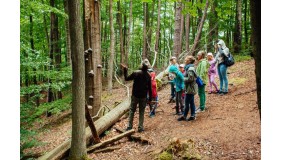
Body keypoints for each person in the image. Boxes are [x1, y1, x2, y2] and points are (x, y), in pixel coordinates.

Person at [121, 62, 152, 132]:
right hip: (143, 97)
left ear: (141, 67)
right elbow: (150, 89)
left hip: (135, 96)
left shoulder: (136, 73)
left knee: (132, 110)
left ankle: (129, 127)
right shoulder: (148, 76)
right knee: (141, 112)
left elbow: (126, 78)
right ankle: (140, 128)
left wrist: (125, 70)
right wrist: (150, 99)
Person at [178, 56, 198, 121]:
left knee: (186, 103)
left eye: (186, 59)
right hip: (190, 88)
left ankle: (184, 116)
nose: (185, 60)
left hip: (190, 88)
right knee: (191, 102)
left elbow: (190, 79)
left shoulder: (190, 68)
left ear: (189, 61)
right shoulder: (189, 68)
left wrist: (183, 78)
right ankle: (192, 115)